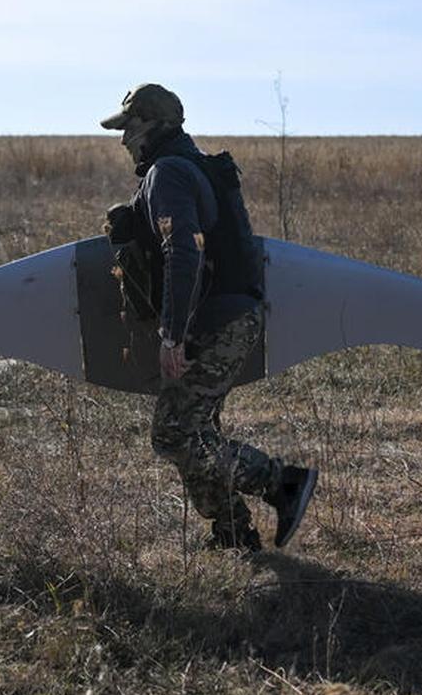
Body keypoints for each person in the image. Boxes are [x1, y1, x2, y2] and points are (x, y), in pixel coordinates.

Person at [100, 83, 316, 551]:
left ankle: (283, 484)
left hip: (217, 322)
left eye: (130, 128)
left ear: (155, 125)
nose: (123, 141)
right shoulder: (186, 167)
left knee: (174, 434)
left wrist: (171, 335)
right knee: (197, 433)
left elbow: (184, 251)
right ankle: (233, 534)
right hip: (223, 316)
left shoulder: (169, 174)